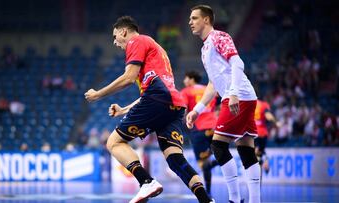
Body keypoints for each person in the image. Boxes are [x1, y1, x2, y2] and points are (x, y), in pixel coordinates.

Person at [85, 16, 213, 203]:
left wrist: (98, 94)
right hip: (173, 104)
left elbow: (129, 78)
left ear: (124, 32)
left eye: (115, 36)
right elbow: (153, 90)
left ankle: (146, 182)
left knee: (113, 142)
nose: (115, 42)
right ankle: (207, 200)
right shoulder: (157, 49)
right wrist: (124, 110)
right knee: (176, 160)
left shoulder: (136, 41)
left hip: (158, 98)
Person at [187, 5, 260, 203]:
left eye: (194, 18)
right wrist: (197, 110)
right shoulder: (205, 49)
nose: (190, 22)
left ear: (206, 20)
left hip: (238, 96)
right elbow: (213, 84)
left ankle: (234, 200)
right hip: (242, 95)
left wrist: (234, 93)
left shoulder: (219, 37)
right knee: (246, 150)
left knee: (218, 146)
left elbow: (237, 63)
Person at [181, 70, 219, 195]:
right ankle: (213, 161)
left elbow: (183, 109)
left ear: (192, 79)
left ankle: (208, 192)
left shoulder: (187, 91)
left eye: (186, 78)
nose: (184, 81)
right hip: (214, 127)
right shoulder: (209, 89)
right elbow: (218, 103)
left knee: (203, 164)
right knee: (221, 153)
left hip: (199, 129)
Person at [254, 99, 278, 174]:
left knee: (256, 153)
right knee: (260, 153)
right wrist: (276, 122)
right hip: (263, 133)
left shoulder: (250, 103)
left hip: (254, 133)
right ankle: (264, 160)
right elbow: (268, 116)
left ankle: (262, 160)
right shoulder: (264, 104)